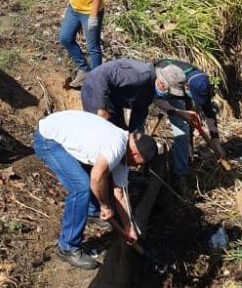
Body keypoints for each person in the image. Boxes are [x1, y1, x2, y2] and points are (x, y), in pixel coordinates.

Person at [33, 110, 158, 270]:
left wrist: (129, 228)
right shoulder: (116, 147)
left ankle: (92, 212)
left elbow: (119, 193)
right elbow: (96, 178)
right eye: (139, 163)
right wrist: (105, 206)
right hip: (48, 140)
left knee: (97, 177)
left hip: (62, 130)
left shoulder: (124, 150)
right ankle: (67, 247)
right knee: (81, 187)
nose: (138, 167)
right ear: (134, 153)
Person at [152, 59, 225, 195]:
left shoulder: (201, 82)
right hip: (166, 87)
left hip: (181, 90)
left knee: (187, 123)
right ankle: (180, 174)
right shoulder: (169, 76)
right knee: (182, 127)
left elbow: (209, 112)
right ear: (186, 88)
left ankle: (187, 158)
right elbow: (156, 99)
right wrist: (178, 112)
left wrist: (216, 142)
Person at [80, 59, 187, 133]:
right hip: (94, 89)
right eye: (169, 91)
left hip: (114, 99)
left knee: (121, 133)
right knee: (105, 135)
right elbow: (102, 76)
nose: (168, 95)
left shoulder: (150, 88)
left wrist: (135, 134)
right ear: (162, 84)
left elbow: (139, 111)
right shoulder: (138, 76)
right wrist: (100, 108)